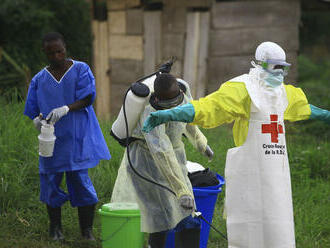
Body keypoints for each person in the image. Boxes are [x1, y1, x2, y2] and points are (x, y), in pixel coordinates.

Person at [143, 42, 330, 248]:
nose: (279, 73)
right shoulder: (243, 89)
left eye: (282, 68)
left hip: (277, 178)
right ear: (259, 65)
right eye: (274, 67)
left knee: (278, 226)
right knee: (250, 230)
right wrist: (169, 114)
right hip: (250, 176)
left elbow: (304, 108)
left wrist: (326, 115)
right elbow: (207, 108)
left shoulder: (283, 93)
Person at [24, 32, 111, 241]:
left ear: (65, 48)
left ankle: (86, 230)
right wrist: (37, 119)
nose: (56, 56)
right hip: (51, 140)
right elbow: (33, 107)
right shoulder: (39, 79)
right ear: (44, 53)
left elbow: (88, 97)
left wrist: (66, 108)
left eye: (60, 51)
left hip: (76, 136)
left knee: (80, 180)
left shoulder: (80, 69)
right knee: (50, 181)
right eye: (51, 53)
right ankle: (55, 229)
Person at [110, 73, 214, 248]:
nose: (173, 106)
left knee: (187, 212)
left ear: (180, 91)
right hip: (146, 162)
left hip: (175, 157)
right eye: (167, 103)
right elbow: (161, 151)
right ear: (157, 99)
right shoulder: (149, 111)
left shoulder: (183, 89)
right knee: (160, 215)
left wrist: (201, 143)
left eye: (176, 100)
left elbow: (188, 117)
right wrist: (181, 191)